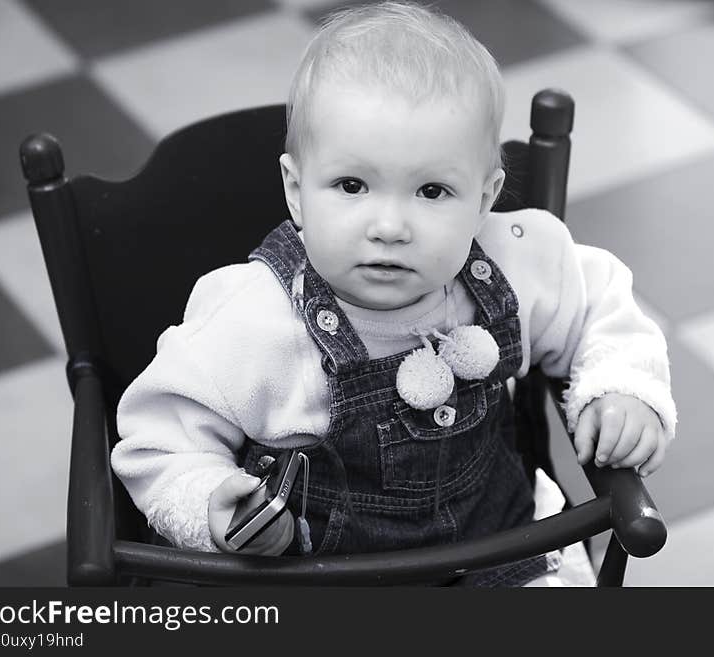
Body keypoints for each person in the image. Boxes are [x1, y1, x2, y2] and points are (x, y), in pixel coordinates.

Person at [111, 1, 677, 587]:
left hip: (497, 552)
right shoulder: (253, 318)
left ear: (486, 199)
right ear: (297, 190)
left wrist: (621, 390)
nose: (389, 226)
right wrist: (211, 503)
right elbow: (156, 445)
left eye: (432, 191)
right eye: (351, 185)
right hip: (317, 579)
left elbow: (599, 307)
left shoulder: (516, 259)